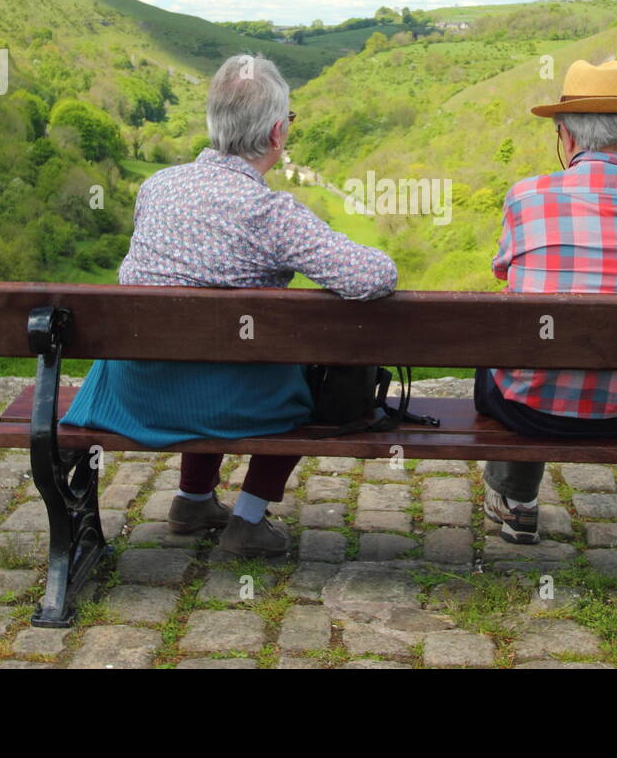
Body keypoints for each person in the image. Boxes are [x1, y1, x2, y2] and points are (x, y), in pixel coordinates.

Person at [61, 54, 397, 559]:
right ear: (278, 134)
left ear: (213, 122)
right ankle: (247, 519)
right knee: (306, 383)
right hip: (232, 403)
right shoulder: (272, 212)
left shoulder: (157, 187)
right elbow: (373, 277)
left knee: (205, 351)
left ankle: (193, 501)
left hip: (133, 395)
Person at [477, 58, 617, 544]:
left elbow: (505, 274)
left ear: (566, 137)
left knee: (517, 348)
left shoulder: (525, 197)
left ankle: (515, 503)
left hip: (528, 407)